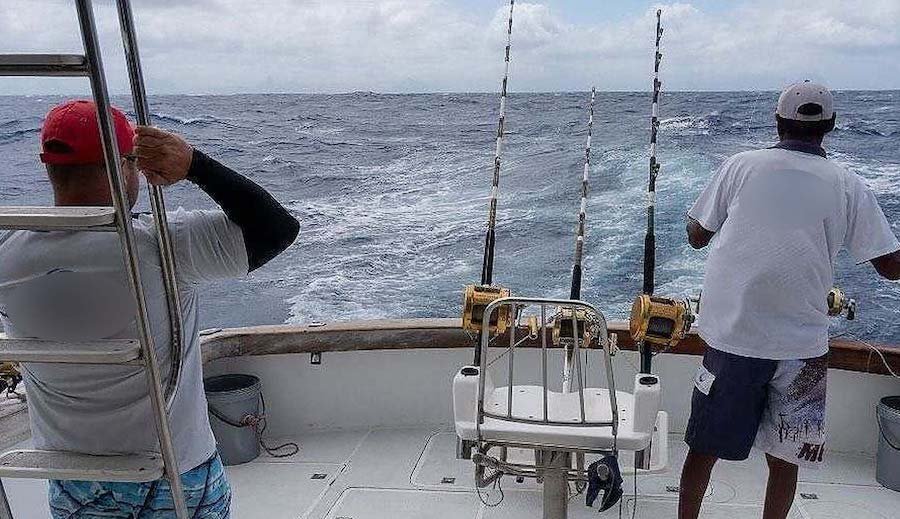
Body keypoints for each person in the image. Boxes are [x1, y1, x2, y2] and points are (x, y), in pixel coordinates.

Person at [0, 99, 300, 518]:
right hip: (175, 472)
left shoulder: (7, 252)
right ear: (126, 165)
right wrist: (194, 165)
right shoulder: (163, 243)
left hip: (73, 477)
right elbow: (278, 228)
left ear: (46, 166)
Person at [679, 81, 900, 519]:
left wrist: (705, 220)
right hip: (803, 348)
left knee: (703, 448)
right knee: (786, 458)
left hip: (734, 339)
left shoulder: (740, 166)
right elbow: (891, 267)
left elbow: (696, 236)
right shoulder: (849, 184)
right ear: (830, 125)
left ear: (778, 121)